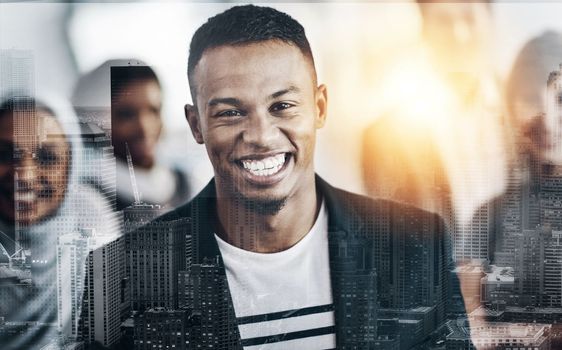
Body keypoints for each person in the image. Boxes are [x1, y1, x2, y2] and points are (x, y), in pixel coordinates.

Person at [112, 5, 466, 350]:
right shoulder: (123, 275)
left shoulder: (418, 244)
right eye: (231, 112)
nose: (262, 136)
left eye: (282, 106)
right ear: (196, 126)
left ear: (320, 108)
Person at [0, 95, 119, 349]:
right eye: (4, 154)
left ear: (70, 166)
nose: (25, 175)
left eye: (46, 157)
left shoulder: (93, 226)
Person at [72, 60, 190, 211]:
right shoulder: (86, 203)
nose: (145, 128)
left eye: (154, 110)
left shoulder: (184, 184)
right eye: (126, 115)